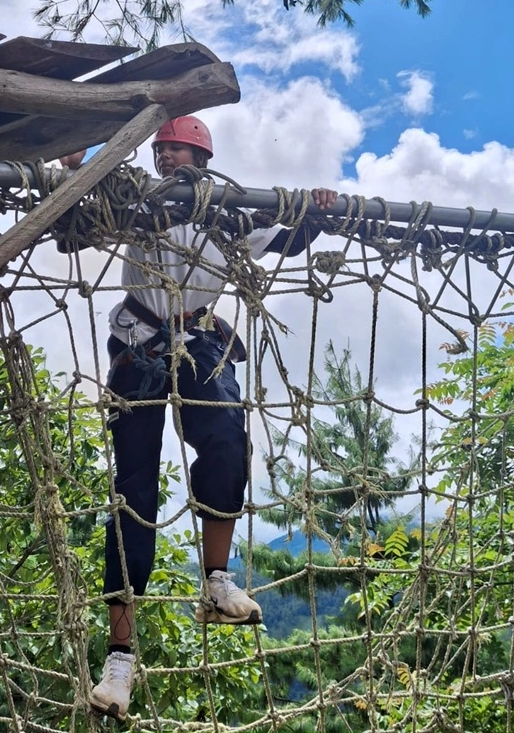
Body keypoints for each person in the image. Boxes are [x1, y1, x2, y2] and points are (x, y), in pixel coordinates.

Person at [87, 115, 338, 720]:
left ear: (202, 158)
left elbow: (285, 240)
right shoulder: (139, 202)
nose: (165, 158)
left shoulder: (228, 215)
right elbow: (89, 212)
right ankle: (119, 660)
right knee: (134, 491)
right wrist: (77, 167)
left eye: (176, 149)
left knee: (228, 442)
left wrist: (317, 211)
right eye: (160, 150)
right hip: (139, 343)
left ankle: (216, 582)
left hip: (200, 340)